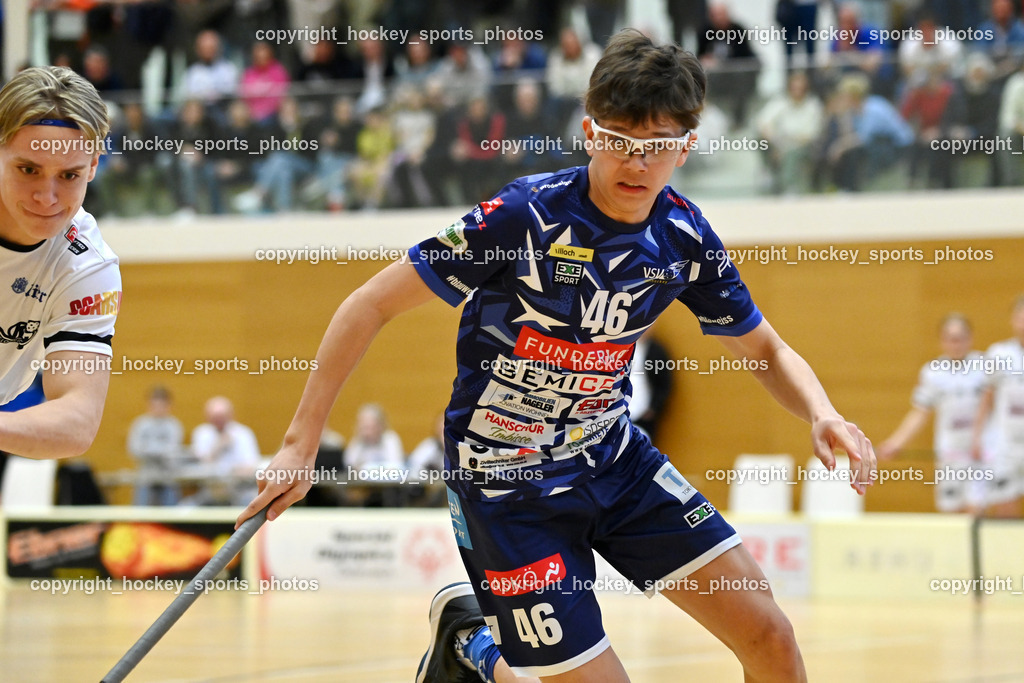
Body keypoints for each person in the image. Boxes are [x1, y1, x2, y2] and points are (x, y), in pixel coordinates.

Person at [238, 30, 876, 682]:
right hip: (506, 484)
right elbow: (367, 305)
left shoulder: (684, 238)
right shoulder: (524, 216)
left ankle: (479, 641)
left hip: (614, 460)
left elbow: (763, 346)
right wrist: (299, 443)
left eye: (657, 147)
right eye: (620, 141)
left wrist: (821, 412)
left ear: (687, 147)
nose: (636, 163)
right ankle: (476, 646)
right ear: (589, 132)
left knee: (771, 636)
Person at [0, 66, 120, 466]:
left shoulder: (87, 267)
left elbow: (77, 420)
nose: (47, 197)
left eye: (68, 175)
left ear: (93, 167)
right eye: (28, 169)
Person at [877, 315, 986, 513]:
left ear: (970, 338)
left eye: (960, 338)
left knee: (976, 509)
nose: (956, 344)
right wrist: (895, 443)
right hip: (949, 451)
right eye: (950, 339)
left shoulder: (985, 366)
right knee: (950, 511)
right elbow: (919, 413)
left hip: (979, 451)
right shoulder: (933, 372)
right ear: (942, 341)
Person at [972, 296, 1024, 518]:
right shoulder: (999, 354)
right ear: (1013, 319)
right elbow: (987, 398)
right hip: (1005, 444)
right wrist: (977, 436)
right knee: (1004, 506)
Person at [190, 395, 260, 506]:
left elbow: (251, 466)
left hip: (238, 490)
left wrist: (230, 474)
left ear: (231, 415)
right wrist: (218, 447)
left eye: (222, 416)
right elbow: (200, 466)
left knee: (252, 503)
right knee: (188, 506)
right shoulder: (202, 433)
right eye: (214, 417)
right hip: (209, 490)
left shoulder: (243, 434)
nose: (218, 420)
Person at [126, 385, 185, 506]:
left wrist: (147, 448)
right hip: (145, 478)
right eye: (155, 405)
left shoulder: (174, 425)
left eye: (161, 405)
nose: (158, 409)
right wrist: (160, 450)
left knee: (172, 520)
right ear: (149, 405)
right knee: (140, 518)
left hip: (167, 479)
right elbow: (134, 449)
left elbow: (173, 451)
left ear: (168, 406)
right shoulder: (140, 424)